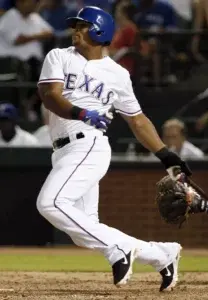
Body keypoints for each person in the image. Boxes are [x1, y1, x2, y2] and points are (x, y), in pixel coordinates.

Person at [37, 6, 192, 291]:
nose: (76, 30)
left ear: (99, 30)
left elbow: (138, 120)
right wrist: (82, 112)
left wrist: (166, 155)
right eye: (75, 26)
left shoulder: (118, 74)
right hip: (63, 150)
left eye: (82, 25)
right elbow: (50, 97)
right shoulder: (58, 56)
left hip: (89, 145)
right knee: (83, 229)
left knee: (50, 203)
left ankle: (116, 251)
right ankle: (161, 255)